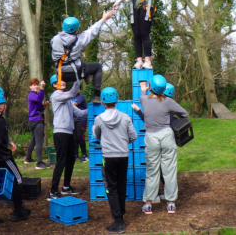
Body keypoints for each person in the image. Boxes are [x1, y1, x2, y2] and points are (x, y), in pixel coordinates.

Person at [0, 86, 31, 225]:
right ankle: (18, 211)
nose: (5, 105)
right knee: (18, 180)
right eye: (3, 103)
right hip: (1, 158)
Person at [139, 75, 187, 214]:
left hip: (151, 137)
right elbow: (184, 113)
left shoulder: (144, 100)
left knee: (152, 171)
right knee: (169, 170)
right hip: (166, 135)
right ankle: (171, 203)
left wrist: (144, 89)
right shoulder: (168, 101)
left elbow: (143, 94)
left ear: (151, 87)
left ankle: (148, 204)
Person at [92, 87, 137, 233]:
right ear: (116, 101)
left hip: (109, 157)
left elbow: (97, 136)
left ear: (103, 103)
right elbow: (134, 136)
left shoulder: (99, 119)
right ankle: (121, 215)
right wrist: (123, 143)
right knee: (121, 185)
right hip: (123, 156)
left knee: (111, 188)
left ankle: (118, 222)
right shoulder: (125, 117)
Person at [50, 9, 116, 103]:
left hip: (61, 75)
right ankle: (97, 95)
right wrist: (103, 19)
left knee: (77, 62)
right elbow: (91, 31)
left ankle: (86, 76)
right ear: (76, 30)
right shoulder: (79, 40)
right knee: (97, 67)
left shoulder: (55, 39)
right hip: (75, 73)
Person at [47, 74, 88, 200]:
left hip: (69, 132)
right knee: (61, 162)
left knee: (70, 160)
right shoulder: (56, 96)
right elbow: (71, 93)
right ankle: (53, 192)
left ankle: (66, 187)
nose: (63, 82)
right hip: (60, 133)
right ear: (54, 85)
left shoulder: (68, 101)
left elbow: (80, 113)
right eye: (59, 81)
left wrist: (93, 108)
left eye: (63, 80)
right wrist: (78, 77)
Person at [25, 78, 52, 169]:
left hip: (32, 120)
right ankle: (39, 163)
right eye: (34, 85)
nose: (36, 86)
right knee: (39, 141)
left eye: (37, 85)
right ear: (30, 87)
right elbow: (39, 98)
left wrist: (43, 105)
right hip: (36, 120)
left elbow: (38, 104)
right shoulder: (32, 95)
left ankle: (28, 158)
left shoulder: (33, 95)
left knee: (34, 139)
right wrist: (42, 88)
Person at [73, 89, 88, 162]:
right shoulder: (71, 97)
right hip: (73, 120)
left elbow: (74, 104)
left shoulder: (81, 97)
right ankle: (75, 155)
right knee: (74, 138)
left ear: (80, 89)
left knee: (80, 137)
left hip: (81, 119)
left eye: (77, 88)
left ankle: (84, 155)